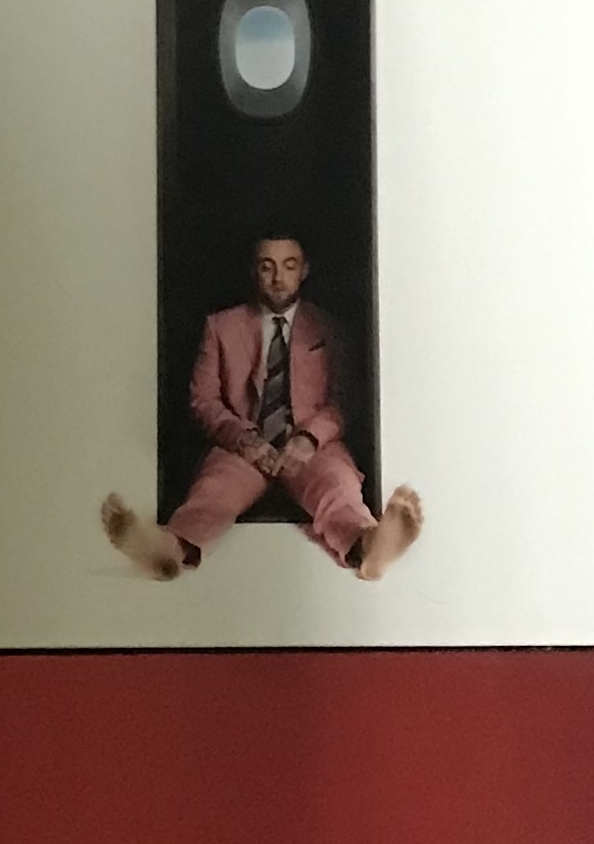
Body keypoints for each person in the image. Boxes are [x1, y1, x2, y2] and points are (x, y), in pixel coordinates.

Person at [99, 233, 422, 582]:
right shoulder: (221, 327)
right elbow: (203, 400)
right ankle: (168, 551)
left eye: (289, 266)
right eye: (267, 267)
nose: (278, 278)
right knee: (213, 494)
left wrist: (309, 439)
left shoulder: (328, 327)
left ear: (304, 270)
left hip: (311, 446)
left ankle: (370, 546)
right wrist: (243, 440)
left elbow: (344, 401)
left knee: (337, 488)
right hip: (244, 446)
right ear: (254, 271)